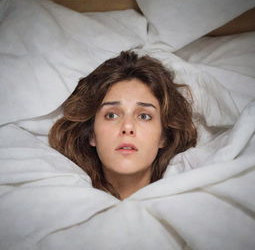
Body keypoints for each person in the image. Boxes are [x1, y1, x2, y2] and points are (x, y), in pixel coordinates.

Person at [48, 51, 197, 200]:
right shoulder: (63, 198)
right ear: (92, 134)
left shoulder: (188, 201)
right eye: (111, 115)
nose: (127, 127)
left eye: (144, 116)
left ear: (163, 136)